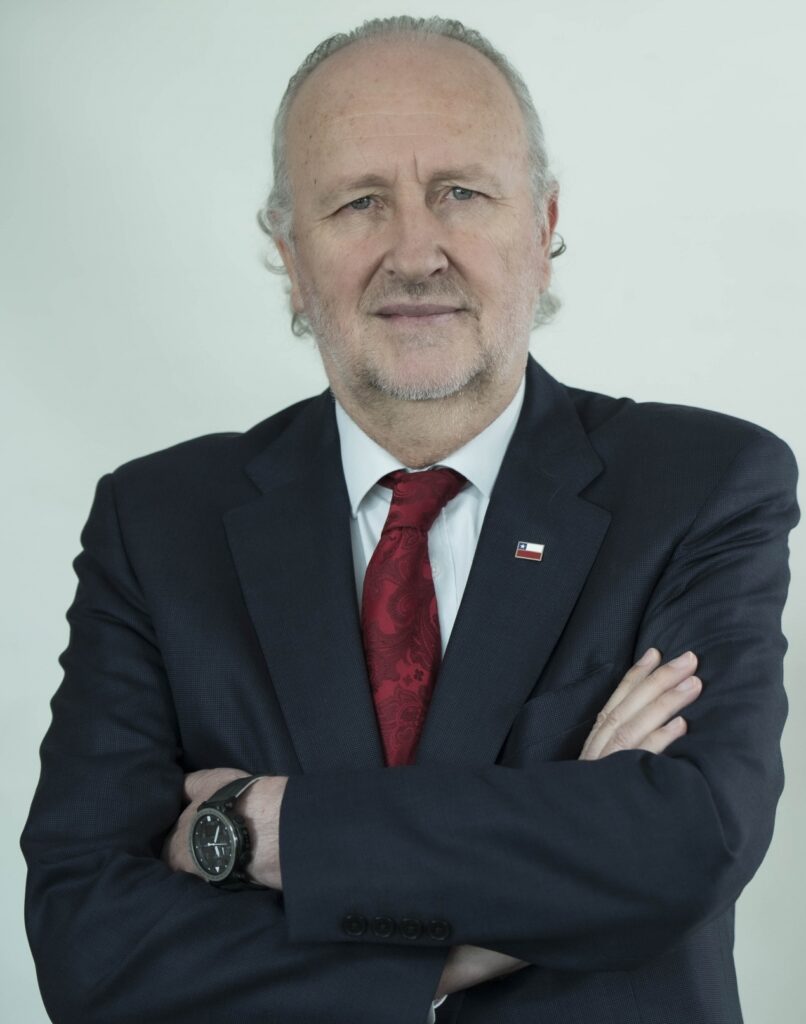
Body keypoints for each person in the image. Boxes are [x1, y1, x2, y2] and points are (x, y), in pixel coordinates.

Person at [21, 15, 799, 1024]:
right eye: (358, 202)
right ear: (289, 253)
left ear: (543, 226)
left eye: (460, 193)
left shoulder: (700, 485)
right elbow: (88, 943)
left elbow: (687, 839)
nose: (415, 252)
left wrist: (266, 826)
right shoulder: (158, 523)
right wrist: (471, 939)